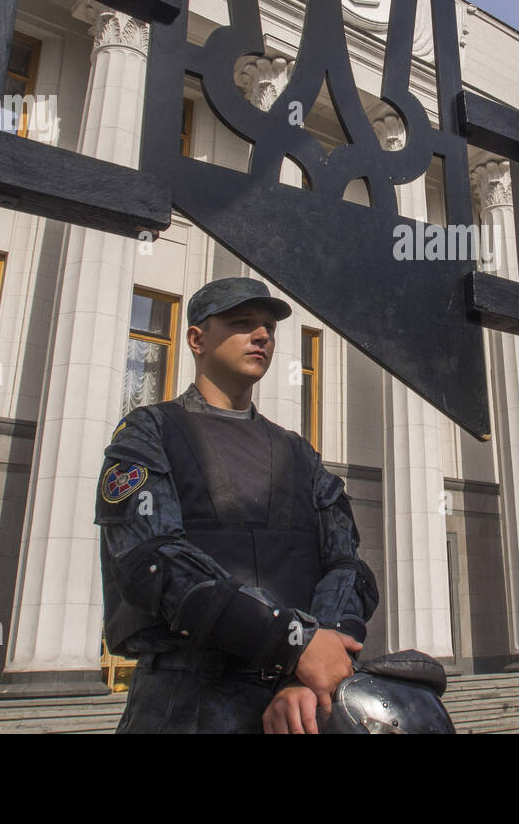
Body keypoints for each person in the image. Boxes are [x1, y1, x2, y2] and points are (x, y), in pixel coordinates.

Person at [95, 277, 379, 734]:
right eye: (242, 323)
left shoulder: (298, 453)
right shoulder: (149, 433)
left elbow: (347, 565)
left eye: (268, 327)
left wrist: (308, 668)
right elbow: (156, 564)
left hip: (301, 707)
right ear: (196, 338)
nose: (262, 335)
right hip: (183, 706)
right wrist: (295, 645)